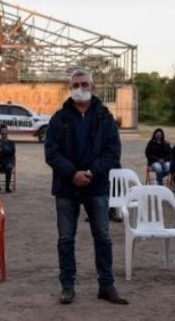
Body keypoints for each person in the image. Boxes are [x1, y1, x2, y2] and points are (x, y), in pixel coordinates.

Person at [45, 68, 127, 305]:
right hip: (66, 187)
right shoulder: (59, 118)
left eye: (84, 84)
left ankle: (106, 285)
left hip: (96, 185)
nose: (80, 88)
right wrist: (72, 174)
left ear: (93, 87)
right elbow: (52, 153)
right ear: (70, 88)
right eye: (76, 85)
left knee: (103, 237)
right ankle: (67, 286)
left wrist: (91, 172)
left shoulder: (105, 117)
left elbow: (113, 152)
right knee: (65, 239)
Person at [0, 124, 16, 193]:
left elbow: (12, 152)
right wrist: (2, 151)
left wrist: (3, 150)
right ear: (0, 132)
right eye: (2, 132)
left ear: (7, 132)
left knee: (9, 167)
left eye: (5, 131)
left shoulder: (11, 143)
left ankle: (7, 187)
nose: (4, 133)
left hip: (8, 162)